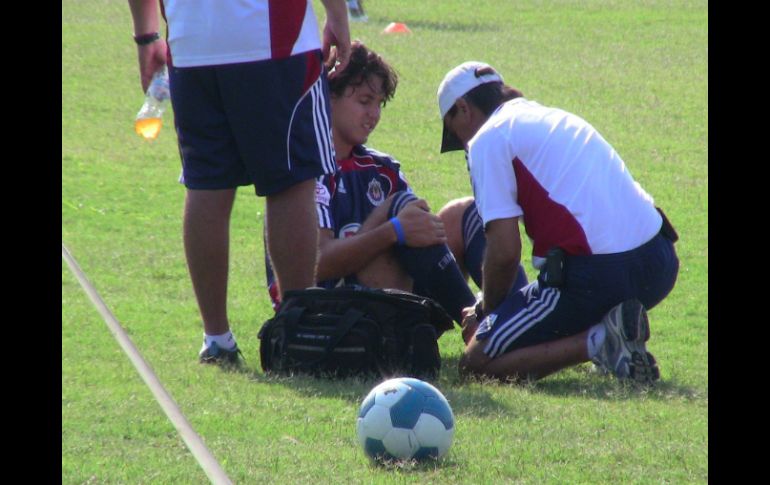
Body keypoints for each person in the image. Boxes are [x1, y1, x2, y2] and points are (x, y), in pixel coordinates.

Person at [127, 0, 351, 366]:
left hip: (191, 39)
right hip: (273, 36)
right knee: (291, 181)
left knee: (207, 185)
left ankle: (216, 339)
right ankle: (297, 331)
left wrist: (146, 35)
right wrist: (339, 15)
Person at [437, 61, 679, 384]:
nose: (463, 146)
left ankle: (601, 340)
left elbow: (505, 251)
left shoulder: (487, 139)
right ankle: (613, 330)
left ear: (463, 108)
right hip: (659, 261)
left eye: (455, 134)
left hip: (598, 275)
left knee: (475, 363)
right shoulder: (551, 116)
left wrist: (488, 316)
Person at [266, 42, 481, 326]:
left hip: (392, 299)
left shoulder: (382, 168)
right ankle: (476, 326)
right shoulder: (307, 171)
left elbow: (420, 232)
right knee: (398, 210)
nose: (374, 114)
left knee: (463, 213)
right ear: (328, 96)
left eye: (379, 104)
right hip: (329, 313)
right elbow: (316, 263)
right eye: (365, 101)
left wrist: (404, 225)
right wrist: (392, 231)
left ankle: (507, 313)